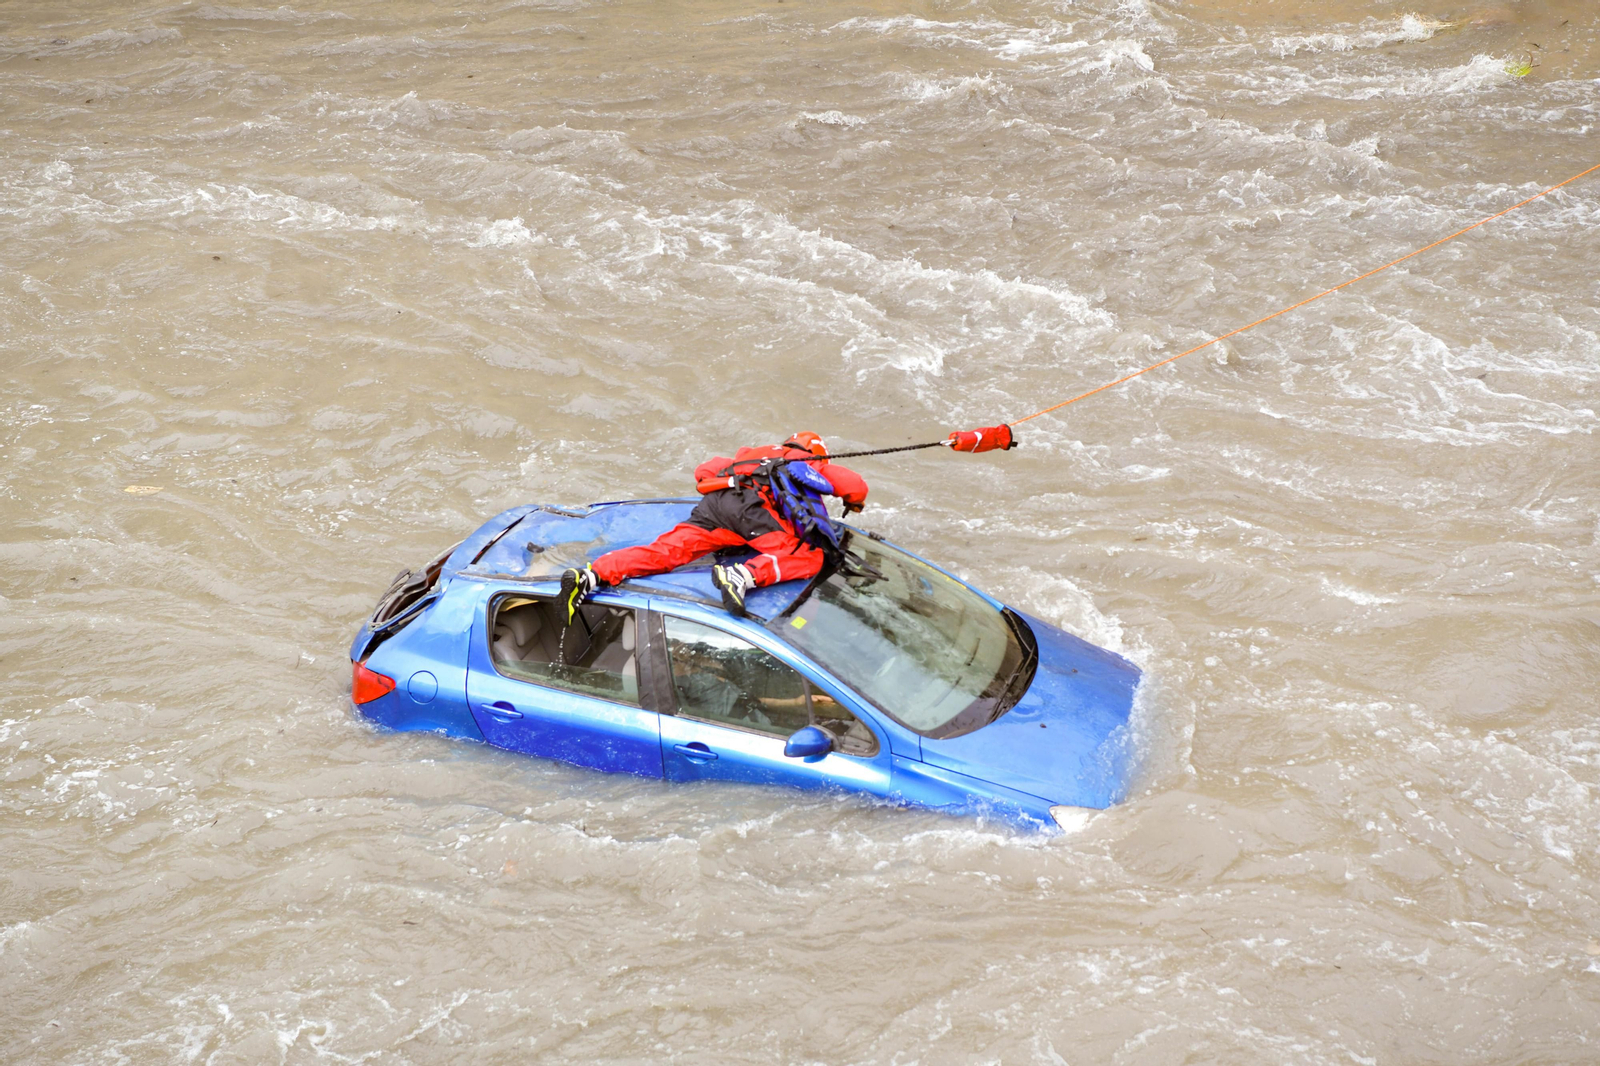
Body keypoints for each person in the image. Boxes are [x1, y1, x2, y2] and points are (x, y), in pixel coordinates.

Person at [560, 431, 868, 619]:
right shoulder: (804, 461)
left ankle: (592, 575)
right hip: (750, 511)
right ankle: (741, 576)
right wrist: (854, 501)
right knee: (809, 556)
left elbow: (705, 470)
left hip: (715, 506)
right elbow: (854, 484)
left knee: (665, 552)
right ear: (817, 452)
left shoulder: (754, 454)